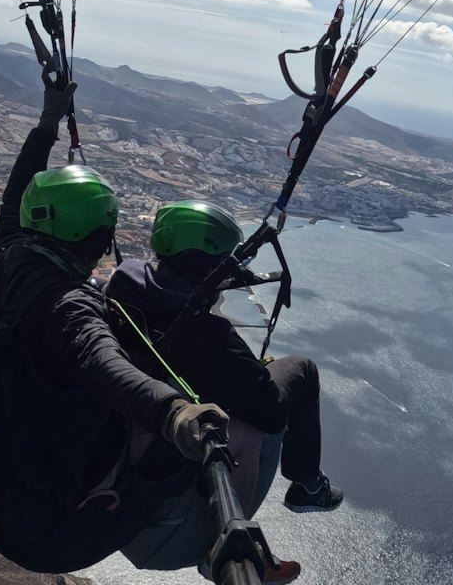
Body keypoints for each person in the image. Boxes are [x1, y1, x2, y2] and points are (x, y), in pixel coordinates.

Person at [0, 82, 231, 574]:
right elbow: (104, 364)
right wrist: (178, 417)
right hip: (49, 538)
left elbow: (18, 191)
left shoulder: (8, 255)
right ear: (98, 237)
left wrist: (47, 121)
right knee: (169, 451)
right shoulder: (69, 307)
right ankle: (215, 546)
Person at [106, 200, 344, 514]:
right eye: (222, 266)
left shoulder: (124, 282)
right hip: (165, 439)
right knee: (303, 369)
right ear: (206, 268)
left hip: (138, 405)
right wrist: (251, 372)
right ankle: (309, 485)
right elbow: (270, 413)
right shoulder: (205, 335)